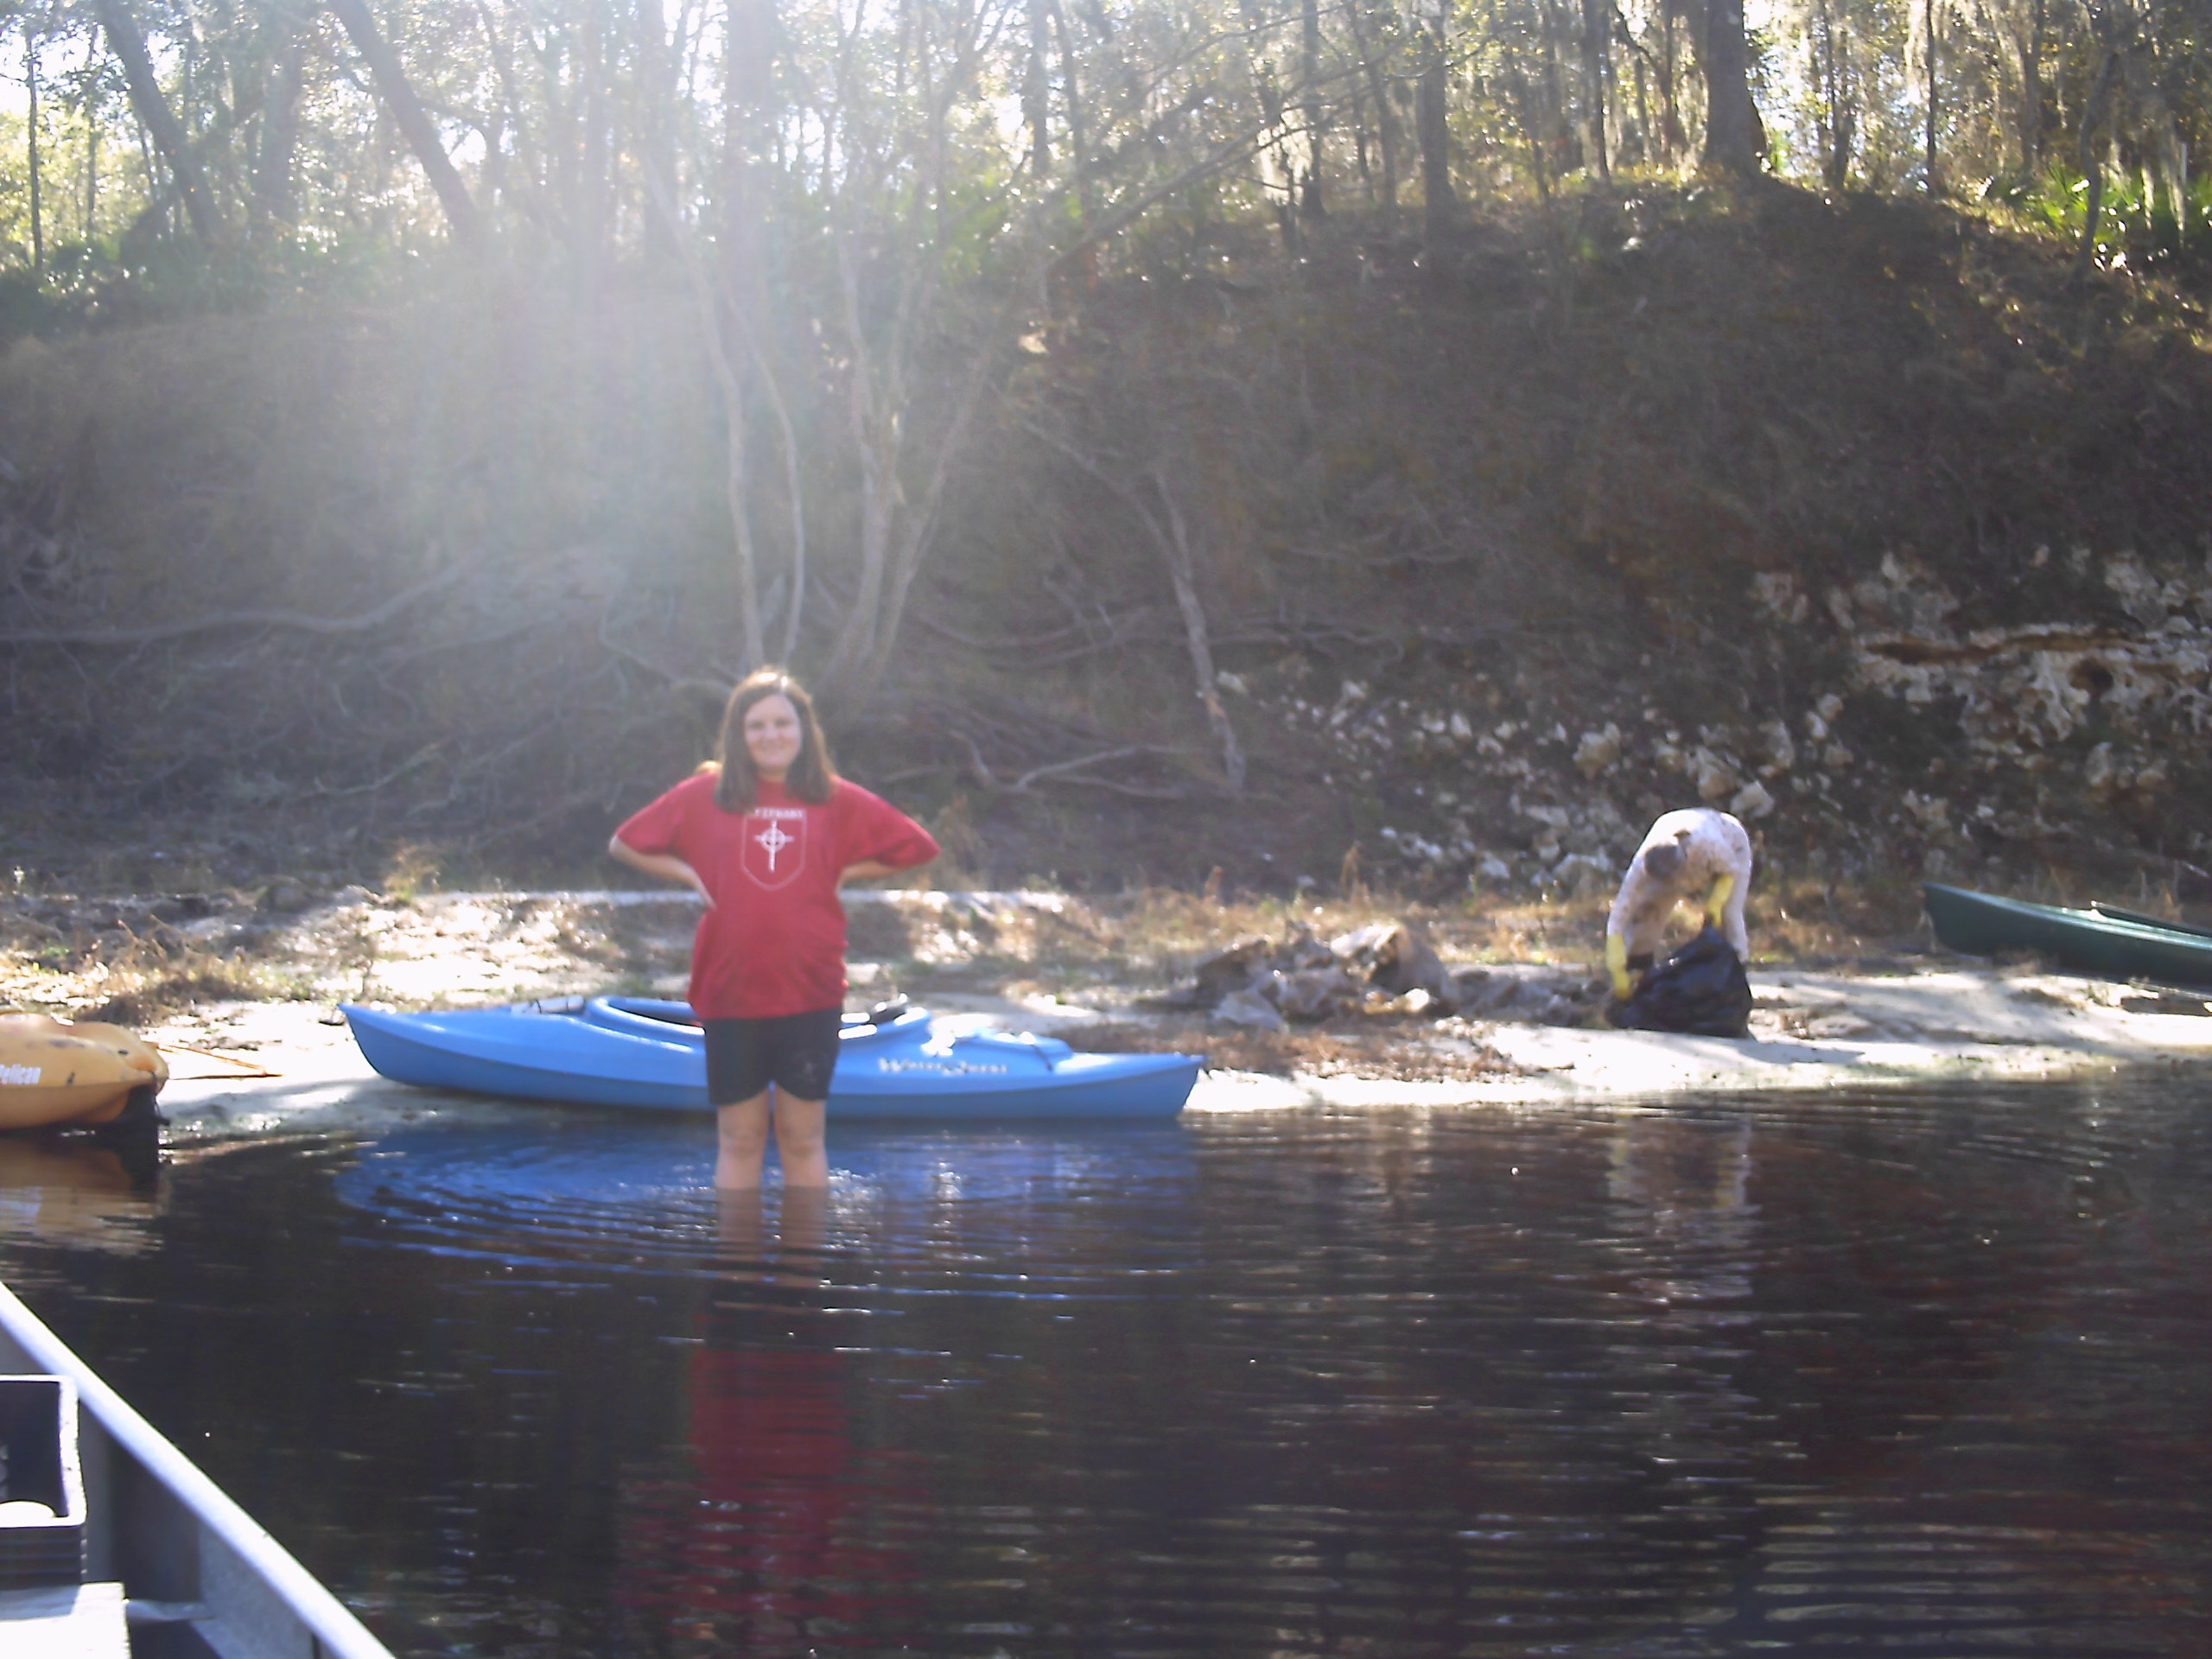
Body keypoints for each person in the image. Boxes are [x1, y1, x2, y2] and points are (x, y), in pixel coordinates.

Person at [609, 669, 939, 1189]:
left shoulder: (836, 798)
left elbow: (917, 847)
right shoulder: (705, 795)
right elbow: (626, 842)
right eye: (756, 725)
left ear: (803, 730)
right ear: (739, 735)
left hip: (810, 991)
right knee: (739, 1140)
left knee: (803, 1139)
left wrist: (846, 871)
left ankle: (801, 1268)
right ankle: (735, 1268)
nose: (770, 735)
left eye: (782, 723)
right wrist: (689, 873)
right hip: (731, 991)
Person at [1605, 807, 1752, 1001]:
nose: (1670, 884)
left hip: (1732, 848)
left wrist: (1715, 903)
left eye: (1671, 878)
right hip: (1679, 843)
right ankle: (1639, 967)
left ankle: (1736, 975)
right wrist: (1616, 964)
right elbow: (1622, 909)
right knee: (1648, 911)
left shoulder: (1708, 845)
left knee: (1730, 916)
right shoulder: (1642, 864)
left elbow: (1729, 869)